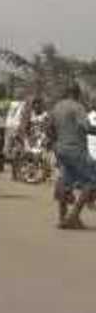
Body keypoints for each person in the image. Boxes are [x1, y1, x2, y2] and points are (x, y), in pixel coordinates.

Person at [48, 83, 96, 229]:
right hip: (75, 149)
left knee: (65, 181)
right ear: (78, 93)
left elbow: (49, 128)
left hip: (60, 148)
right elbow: (86, 127)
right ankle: (73, 216)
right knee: (91, 181)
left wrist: (56, 143)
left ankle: (63, 217)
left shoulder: (57, 107)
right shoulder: (77, 107)